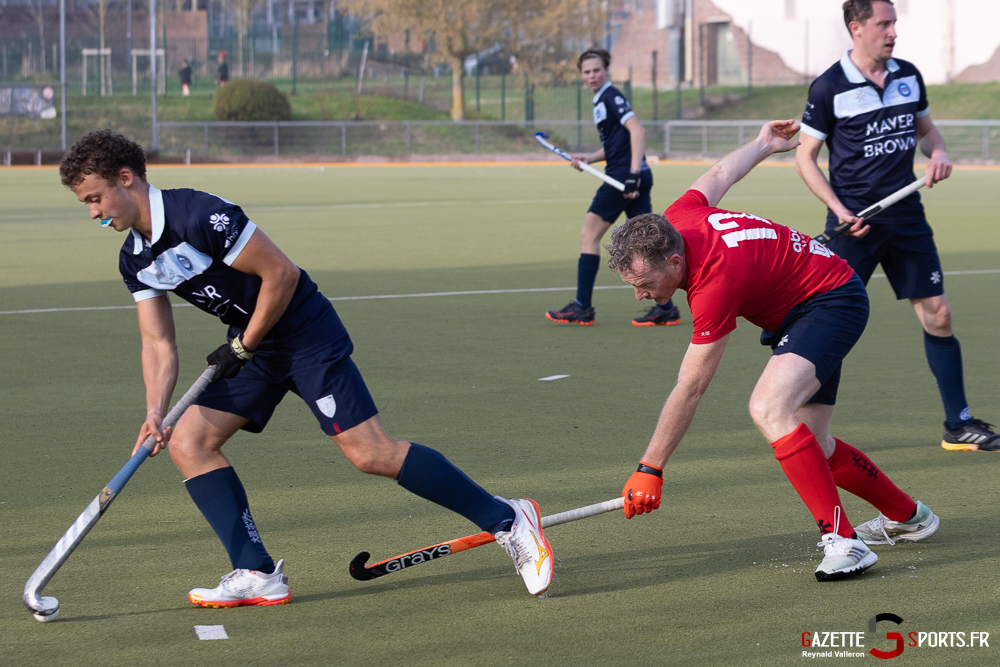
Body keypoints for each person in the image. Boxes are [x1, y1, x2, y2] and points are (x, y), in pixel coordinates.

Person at [58, 129, 553, 606]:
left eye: (94, 198)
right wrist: (154, 411)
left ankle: (507, 519)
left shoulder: (199, 213)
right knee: (189, 441)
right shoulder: (135, 259)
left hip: (303, 335)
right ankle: (256, 572)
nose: (94, 212)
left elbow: (281, 273)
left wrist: (244, 345)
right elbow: (157, 341)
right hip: (253, 348)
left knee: (371, 454)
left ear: (125, 177)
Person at [608, 119, 939, 581]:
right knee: (814, 445)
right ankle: (910, 517)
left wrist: (651, 467)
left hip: (830, 302)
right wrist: (764, 144)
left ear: (675, 261)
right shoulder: (677, 219)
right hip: (810, 303)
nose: (640, 295)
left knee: (769, 407)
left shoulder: (713, 285)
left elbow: (691, 387)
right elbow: (721, 174)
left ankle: (843, 542)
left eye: (643, 284)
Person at [795, 0, 999, 451]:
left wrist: (939, 153)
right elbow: (804, 158)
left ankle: (958, 424)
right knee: (832, 323)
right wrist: (839, 209)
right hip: (854, 224)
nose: (893, 32)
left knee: (940, 315)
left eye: (894, 23)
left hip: (907, 216)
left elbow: (928, 133)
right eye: (883, 24)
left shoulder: (908, 74)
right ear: (857, 28)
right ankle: (811, 435)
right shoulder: (829, 86)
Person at [546, 48, 680, 327]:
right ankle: (665, 309)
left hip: (622, 179)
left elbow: (637, 131)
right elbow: (615, 145)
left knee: (588, 236)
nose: (592, 75)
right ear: (581, 75)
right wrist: (589, 158)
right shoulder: (602, 99)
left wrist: (631, 175)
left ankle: (582, 307)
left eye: (596, 70)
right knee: (648, 244)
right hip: (634, 176)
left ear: (605, 70)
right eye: (586, 71)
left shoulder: (610, 95)